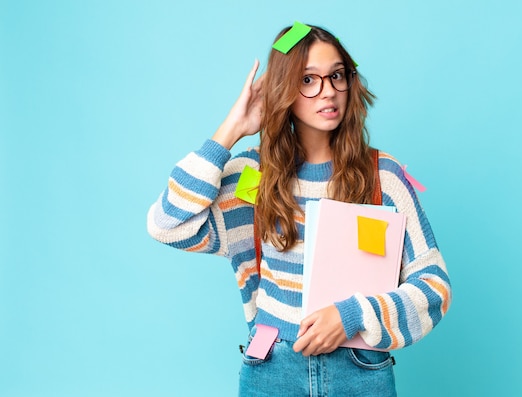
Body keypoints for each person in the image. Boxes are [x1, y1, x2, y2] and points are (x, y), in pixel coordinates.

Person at [147, 23, 451, 397]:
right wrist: (231, 129)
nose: (327, 91)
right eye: (308, 80)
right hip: (271, 368)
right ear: (284, 90)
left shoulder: (382, 176)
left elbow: (434, 286)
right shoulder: (253, 176)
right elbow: (167, 224)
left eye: (336, 75)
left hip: (360, 370)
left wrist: (352, 315)